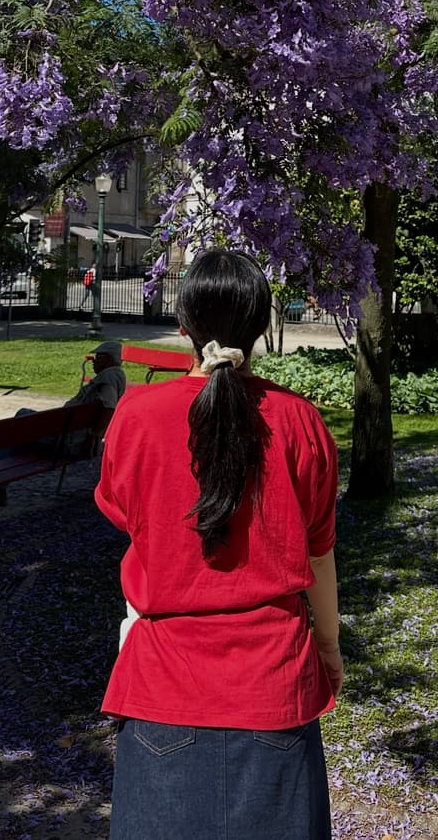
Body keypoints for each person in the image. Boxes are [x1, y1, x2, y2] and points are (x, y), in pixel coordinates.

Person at [95, 248, 343, 840]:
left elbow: (130, 519)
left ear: (183, 324)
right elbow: (319, 554)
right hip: (275, 685)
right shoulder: (300, 420)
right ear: (261, 327)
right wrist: (329, 649)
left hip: (163, 688)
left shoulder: (137, 415)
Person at [0, 339, 127, 506]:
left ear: (107, 359)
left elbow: (109, 406)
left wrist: (94, 436)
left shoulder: (107, 379)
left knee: (17, 426)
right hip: (71, 433)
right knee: (20, 430)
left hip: (68, 439)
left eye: (97, 357)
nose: (93, 361)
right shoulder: (118, 376)